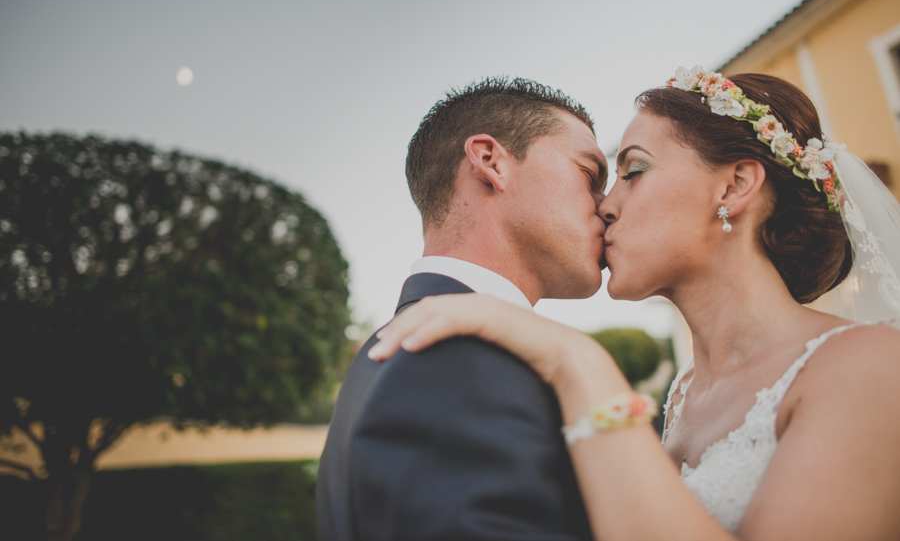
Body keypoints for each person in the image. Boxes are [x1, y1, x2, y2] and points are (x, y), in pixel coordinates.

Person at [370, 69, 900, 540]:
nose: (604, 206)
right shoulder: (683, 397)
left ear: (735, 186)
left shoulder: (868, 363)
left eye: (634, 169)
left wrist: (577, 362)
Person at [316, 77, 609, 540]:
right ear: (491, 161)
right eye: (590, 175)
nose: (606, 206)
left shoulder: (391, 356)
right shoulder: (455, 363)